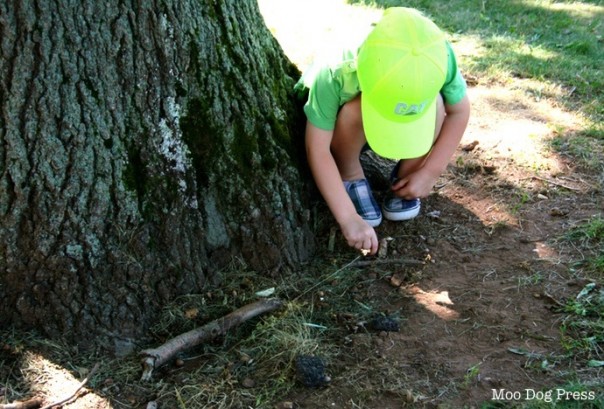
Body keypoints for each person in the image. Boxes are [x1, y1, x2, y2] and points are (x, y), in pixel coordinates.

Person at [295, 7, 470, 256]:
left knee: (438, 103)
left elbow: (459, 111)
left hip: (401, 119)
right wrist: (347, 218)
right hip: (342, 124)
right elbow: (317, 148)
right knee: (355, 109)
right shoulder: (336, 71)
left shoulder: (438, 56)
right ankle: (350, 175)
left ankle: (407, 178)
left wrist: (430, 172)